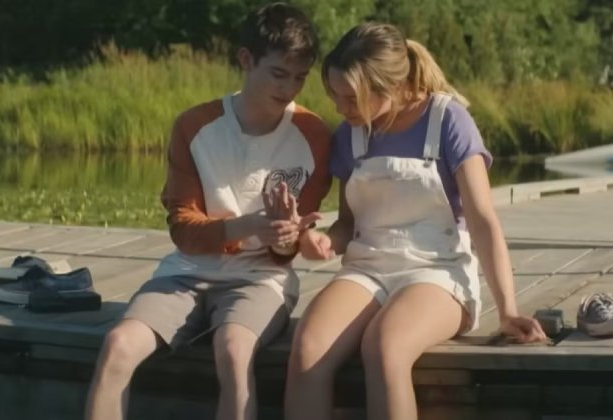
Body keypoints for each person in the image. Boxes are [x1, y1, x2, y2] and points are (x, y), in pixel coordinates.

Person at [284, 22, 547, 420]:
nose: (340, 108)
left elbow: (483, 220)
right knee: (307, 348)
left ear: (389, 86)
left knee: (384, 346)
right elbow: (348, 225)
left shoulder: (448, 120)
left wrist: (508, 310)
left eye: (351, 97)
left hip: (438, 273)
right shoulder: (350, 134)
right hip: (368, 269)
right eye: (334, 95)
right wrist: (324, 241)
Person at [84, 4, 332, 420]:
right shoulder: (194, 126)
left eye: (299, 77)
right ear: (245, 59)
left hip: (261, 280)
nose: (289, 88)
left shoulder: (314, 135)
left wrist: (287, 239)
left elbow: (287, 249)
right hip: (185, 272)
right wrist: (249, 226)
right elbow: (183, 229)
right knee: (117, 346)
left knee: (233, 351)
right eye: (278, 73)